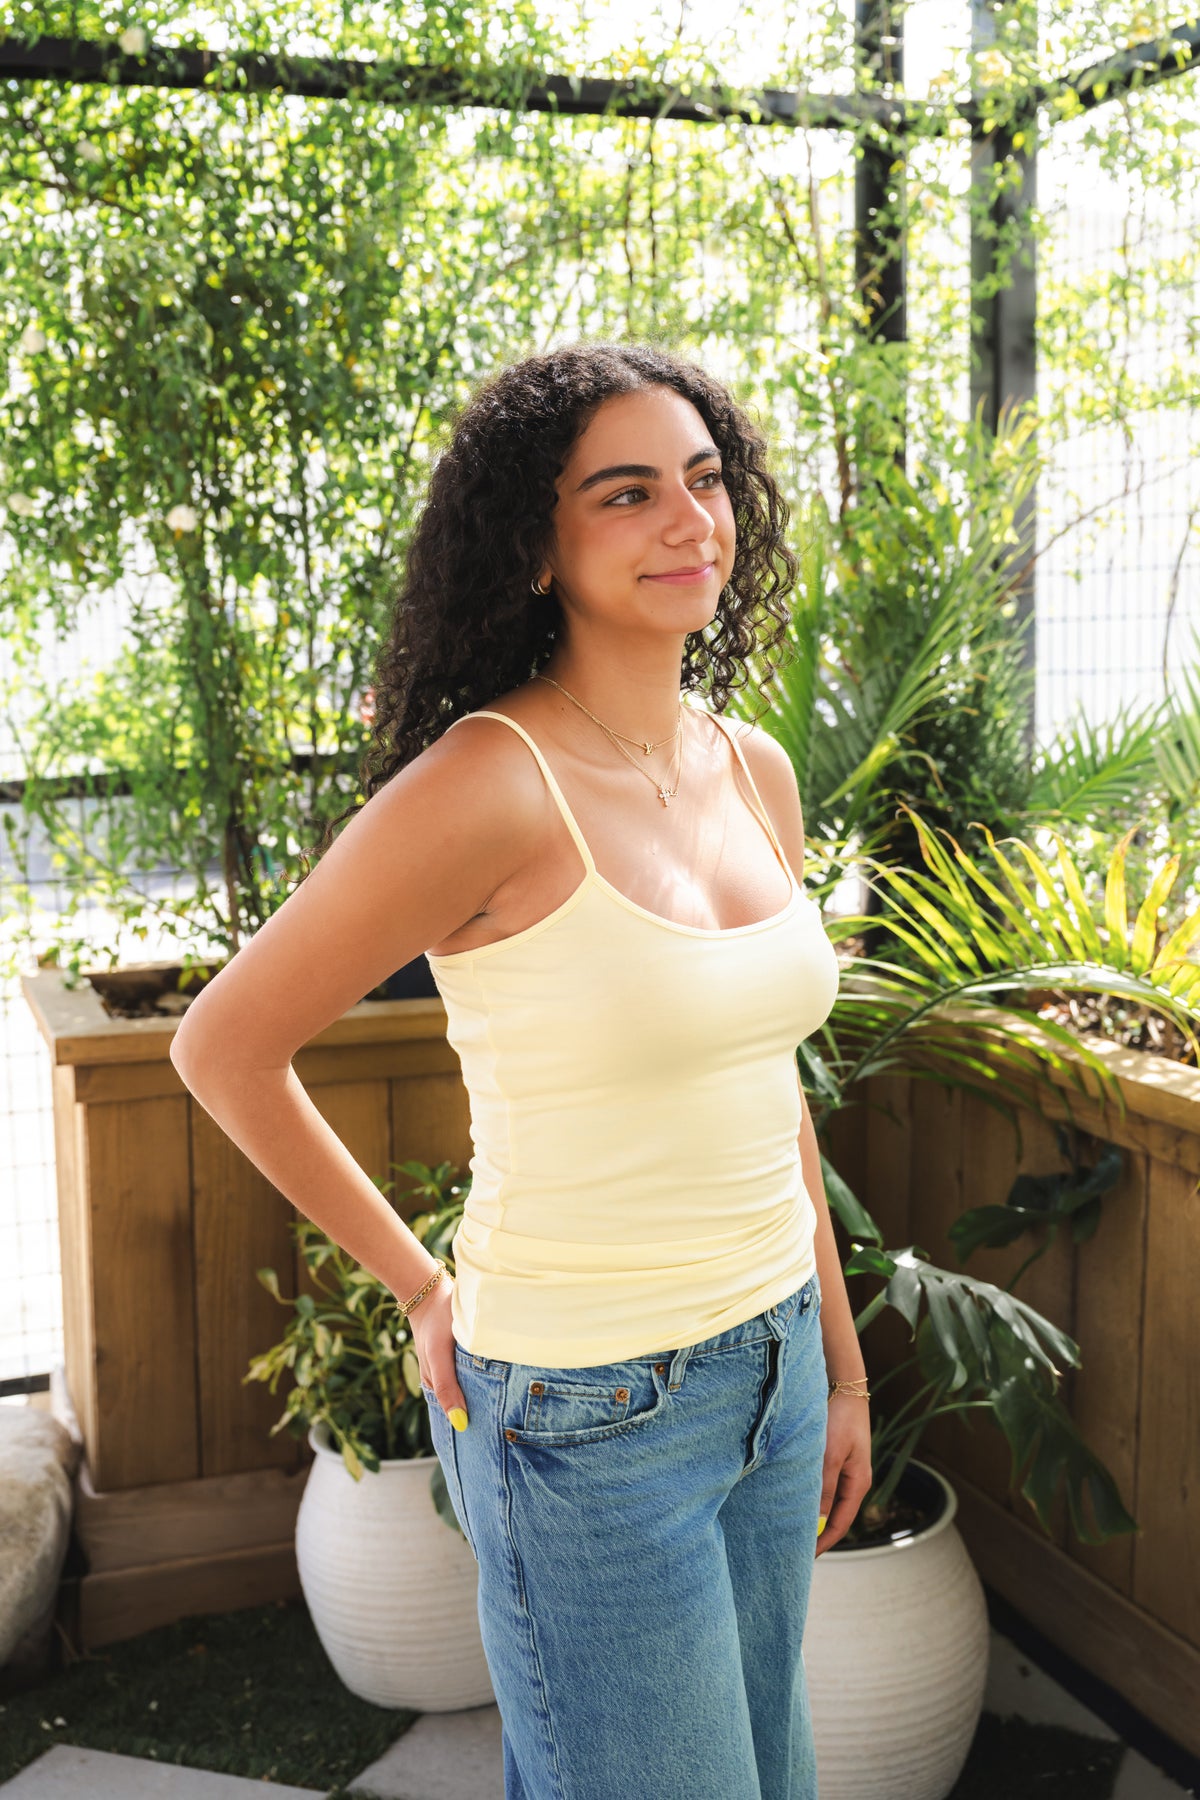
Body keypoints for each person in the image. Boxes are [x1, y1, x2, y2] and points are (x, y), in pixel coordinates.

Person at [170, 339, 873, 1799]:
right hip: (585, 1411)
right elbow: (223, 1047)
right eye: (627, 493)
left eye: (705, 479)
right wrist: (422, 1288)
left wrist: (841, 1367)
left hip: (776, 1361)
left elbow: (768, 1082)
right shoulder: (487, 784)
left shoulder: (752, 768)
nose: (688, 520)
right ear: (535, 547)